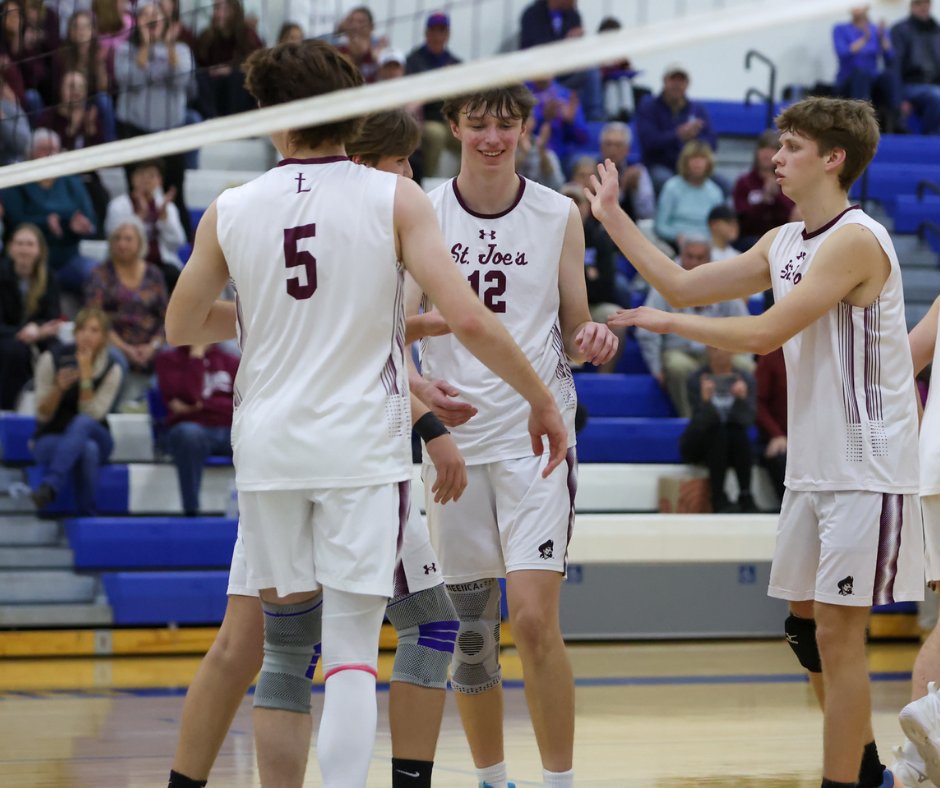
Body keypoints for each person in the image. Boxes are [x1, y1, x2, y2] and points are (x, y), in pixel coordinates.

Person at [163, 40, 567, 788]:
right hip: (357, 451)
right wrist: (543, 399)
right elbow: (470, 321)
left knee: (283, 655)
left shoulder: (232, 208)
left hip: (269, 450)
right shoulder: (394, 198)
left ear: (272, 115)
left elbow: (183, 327)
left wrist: (269, 311)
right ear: (346, 110)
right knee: (350, 651)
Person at [587, 95, 921, 788]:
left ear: (834, 158)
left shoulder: (858, 238)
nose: (775, 156)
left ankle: (849, 782)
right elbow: (680, 283)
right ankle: (866, 773)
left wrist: (669, 326)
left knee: (837, 634)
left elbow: (765, 334)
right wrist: (613, 216)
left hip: (866, 466)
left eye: (792, 146)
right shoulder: (783, 242)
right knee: (806, 632)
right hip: (813, 466)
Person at [166, 108, 468, 788]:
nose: (410, 176)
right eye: (400, 164)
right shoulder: (375, 213)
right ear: (362, 166)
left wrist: (416, 367)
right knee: (328, 642)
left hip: (280, 453)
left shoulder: (260, 213)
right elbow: (352, 349)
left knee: (260, 648)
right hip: (353, 459)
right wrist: (432, 424)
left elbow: (351, 340)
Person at [407, 84, 618, 788]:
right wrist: (417, 390)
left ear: (526, 129)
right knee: (471, 638)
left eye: (506, 125)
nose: (492, 138)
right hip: (456, 446)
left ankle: (558, 781)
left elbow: (576, 327)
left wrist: (594, 338)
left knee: (532, 620)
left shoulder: (558, 214)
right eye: (478, 125)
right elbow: (391, 329)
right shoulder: (422, 211)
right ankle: (494, 781)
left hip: (537, 439)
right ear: (454, 127)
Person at [635, 236, 753, 418]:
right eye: (690, 257)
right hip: (680, 351)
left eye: (700, 258)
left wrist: (744, 355)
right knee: (677, 366)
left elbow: (745, 327)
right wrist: (656, 368)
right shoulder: (663, 285)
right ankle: (691, 421)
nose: (694, 263)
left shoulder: (725, 285)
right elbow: (646, 332)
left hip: (720, 353)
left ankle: (737, 424)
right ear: (681, 257)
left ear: (709, 260)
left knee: (746, 366)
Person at [113, 2, 195, 238]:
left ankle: (185, 252)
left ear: (165, 21)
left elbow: (181, 80)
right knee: (135, 194)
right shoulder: (124, 50)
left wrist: (167, 47)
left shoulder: (180, 50)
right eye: (145, 16)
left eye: (155, 16)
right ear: (137, 23)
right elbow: (130, 79)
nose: (151, 20)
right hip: (135, 129)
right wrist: (145, 47)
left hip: (170, 132)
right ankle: (134, 241)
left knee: (175, 193)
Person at [30, 307, 122, 514]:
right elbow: (42, 415)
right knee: (87, 450)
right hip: (52, 436)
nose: (87, 335)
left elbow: (93, 415)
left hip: (98, 434)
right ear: (74, 333)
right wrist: (58, 390)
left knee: (83, 424)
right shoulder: (52, 359)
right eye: (82, 329)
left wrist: (87, 377)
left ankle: (51, 483)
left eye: (94, 330)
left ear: (105, 337)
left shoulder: (113, 368)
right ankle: (86, 514)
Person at [0, 128, 97, 294]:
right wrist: (46, 222)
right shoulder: (15, 181)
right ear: (29, 153)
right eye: (43, 149)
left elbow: (91, 221)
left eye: (54, 150)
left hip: (67, 258)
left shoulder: (71, 182)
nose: (49, 154)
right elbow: (15, 220)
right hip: (27, 260)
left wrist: (80, 227)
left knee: (97, 276)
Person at [154, 342, 238, 516]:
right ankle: (191, 510)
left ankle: (254, 511)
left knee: (255, 435)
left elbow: (243, 404)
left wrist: (203, 405)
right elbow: (190, 396)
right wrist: (196, 356)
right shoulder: (168, 360)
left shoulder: (231, 361)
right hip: (188, 430)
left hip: (229, 429)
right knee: (190, 434)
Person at [85, 219, 167, 381]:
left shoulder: (154, 274)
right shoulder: (101, 274)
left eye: (128, 239)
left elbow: (167, 316)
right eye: (117, 239)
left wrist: (153, 346)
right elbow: (94, 317)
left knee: (171, 357)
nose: (122, 244)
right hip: (113, 342)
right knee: (115, 358)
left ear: (140, 243)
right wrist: (125, 349)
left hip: (151, 343)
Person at [680, 344, 758, 513]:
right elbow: (698, 424)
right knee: (717, 433)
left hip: (733, 442)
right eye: (714, 348)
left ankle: (746, 494)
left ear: (732, 350)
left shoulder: (744, 378)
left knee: (737, 432)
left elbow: (747, 421)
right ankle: (718, 496)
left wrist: (741, 400)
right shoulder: (697, 379)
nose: (719, 353)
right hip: (701, 441)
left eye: (722, 347)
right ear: (707, 350)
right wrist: (706, 402)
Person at [0, 223, 61, 409]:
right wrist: (25, 332)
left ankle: (52, 410)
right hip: (6, 334)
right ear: (10, 247)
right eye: (19, 243)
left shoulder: (48, 277)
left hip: (39, 334)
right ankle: (9, 409)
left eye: (29, 244)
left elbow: (53, 316)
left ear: (39, 249)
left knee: (59, 352)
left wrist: (38, 330)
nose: (24, 249)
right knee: (15, 351)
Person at [104, 158, 186, 291]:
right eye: (141, 174)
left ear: (159, 180)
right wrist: (139, 218)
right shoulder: (118, 206)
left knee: (175, 277)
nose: (146, 179)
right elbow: (114, 239)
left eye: (151, 175)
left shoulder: (167, 207)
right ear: (132, 178)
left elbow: (178, 243)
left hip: (160, 263)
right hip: (126, 262)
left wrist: (164, 219)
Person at [635, 63, 717, 194]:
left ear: (687, 84)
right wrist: (677, 135)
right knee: (667, 183)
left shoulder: (698, 109)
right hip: (659, 164)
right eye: (673, 79)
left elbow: (712, 143)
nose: (677, 84)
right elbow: (648, 142)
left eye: (681, 80)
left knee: (723, 185)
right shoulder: (648, 107)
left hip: (692, 166)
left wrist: (695, 141)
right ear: (664, 81)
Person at [518, 0, 604, 121]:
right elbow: (532, 49)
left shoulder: (573, 15)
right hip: (538, 75)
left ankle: (595, 118)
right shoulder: (532, 14)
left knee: (591, 70)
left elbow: (577, 50)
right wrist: (565, 44)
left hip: (565, 71)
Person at [405, 12, 461, 178]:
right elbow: (411, 97)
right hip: (425, 119)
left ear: (448, 34)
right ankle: (428, 184)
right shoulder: (413, 60)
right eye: (434, 30)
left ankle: (461, 184)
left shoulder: (455, 62)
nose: (437, 35)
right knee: (436, 135)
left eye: (442, 30)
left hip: (449, 118)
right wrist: (439, 83)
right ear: (426, 33)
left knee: (471, 137)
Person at [832, 5, 899, 130]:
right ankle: (861, 121)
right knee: (861, 74)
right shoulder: (841, 29)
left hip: (872, 78)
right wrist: (864, 39)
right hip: (849, 78)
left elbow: (890, 57)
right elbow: (843, 53)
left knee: (890, 76)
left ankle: (896, 122)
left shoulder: (876, 30)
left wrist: (882, 37)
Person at [653, 140, 725, 249]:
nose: (697, 163)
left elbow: (718, 228)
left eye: (701, 159)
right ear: (685, 162)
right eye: (693, 158)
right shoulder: (671, 187)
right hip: (674, 245)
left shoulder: (715, 192)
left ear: (708, 163)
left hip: (707, 246)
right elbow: (660, 226)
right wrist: (677, 236)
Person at [733, 129, 797, 250]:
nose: (766, 154)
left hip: (781, 240)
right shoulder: (744, 183)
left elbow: (792, 216)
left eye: (771, 149)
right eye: (763, 148)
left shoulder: (788, 182)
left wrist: (776, 195)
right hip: (749, 240)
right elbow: (741, 222)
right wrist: (764, 200)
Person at [890, 0, 940, 135]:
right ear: (912, 6)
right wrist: (899, 99)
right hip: (912, 84)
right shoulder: (900, 30)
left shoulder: (937, 30)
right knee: (937, 96)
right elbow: (895, 66)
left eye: (926, 3)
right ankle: (931, 139)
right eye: (919, 3)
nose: (923, 6)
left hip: (935, 84)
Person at [598, 121, 655, 221]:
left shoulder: (637, 171)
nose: (613, 150)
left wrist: (635, 191)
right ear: (601, 147)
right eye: (608, 144)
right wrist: (623, 188)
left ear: (627, 149)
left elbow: (647, 213)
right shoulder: (590, 169)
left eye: (618, 145)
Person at [755, 346, 787, 507]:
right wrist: (776, 434)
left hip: (811, 436)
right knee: (782, 456)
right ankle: (787, 509)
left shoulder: (819, 352)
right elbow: (757, 402)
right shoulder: (771, 356)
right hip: (778, 436)